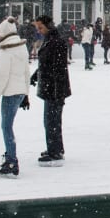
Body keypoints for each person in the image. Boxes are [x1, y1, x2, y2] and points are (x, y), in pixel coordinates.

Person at [0, 16, 31, 176]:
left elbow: (2, 77)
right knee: (8, 126)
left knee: (6, 127)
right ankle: (9, 155)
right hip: (20, 92)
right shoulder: (22, 48)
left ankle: (12, 161)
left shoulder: (7, 50)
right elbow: (26, 73)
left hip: (10, 93)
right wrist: (26, 94)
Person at [30, 14, 71, 163]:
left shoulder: (56, 42)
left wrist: (55, 90)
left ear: (48, 26)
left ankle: (55, 152)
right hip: (51, 87)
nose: (39, 30)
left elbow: (58, 68)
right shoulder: (50, 40)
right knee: (51, 120)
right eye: (37, 27)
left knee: (51, 120)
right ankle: (55, 148)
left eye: (40, 27)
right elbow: (45, 64)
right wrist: (36, 76)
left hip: (54, 89)